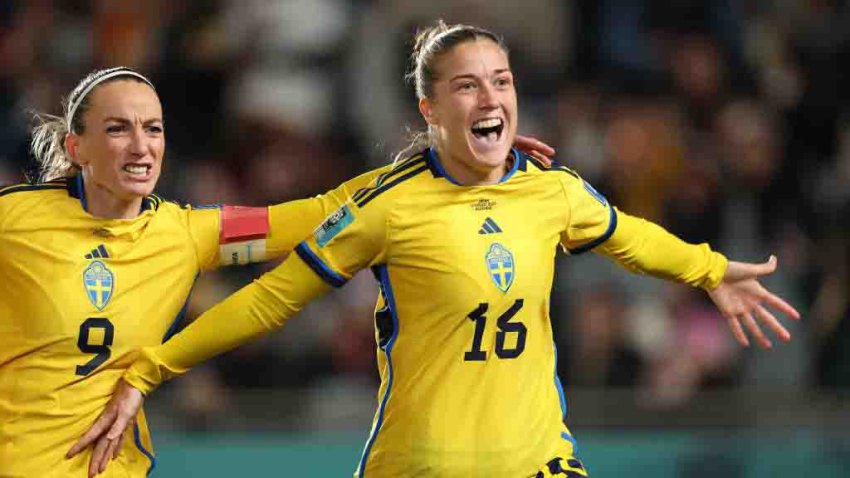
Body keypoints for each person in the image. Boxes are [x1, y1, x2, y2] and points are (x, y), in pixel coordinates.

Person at [70, 22, 799, 478]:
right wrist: (156, 366)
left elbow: (628, 236)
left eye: (503, 81)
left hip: (536, 462)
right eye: (467, 86)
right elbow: (272, 297)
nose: (492, 98)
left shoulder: (552, 190)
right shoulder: (389, 206)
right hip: (421, 466)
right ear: (429, 109)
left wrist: (710, 271)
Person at [0, 66, 554, 478]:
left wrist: (456, 155)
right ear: (78, 146)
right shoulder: (15, 218)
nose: (142, 146)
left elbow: (321, 213)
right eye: (119, 129)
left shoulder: (185, 235)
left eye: (154, 128)